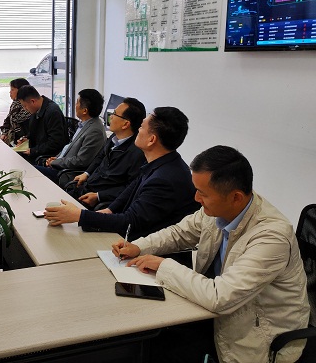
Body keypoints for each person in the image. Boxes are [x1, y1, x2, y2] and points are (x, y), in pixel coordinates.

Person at [113, 146, 309, 363]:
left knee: (162, 345)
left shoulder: (272, 237)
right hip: (219, 311)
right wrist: (138, 246)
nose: (196, 198)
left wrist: (163, 265)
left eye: (203, 193)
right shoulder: (223, 208)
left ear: (235, 197)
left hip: (258, 338)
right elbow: (180, 232)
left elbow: (220, 297)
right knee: (154, 336)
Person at [44, 107, 199, 239]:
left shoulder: (165, 179)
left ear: (151, 140)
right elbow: (132, 187)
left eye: (141, 127)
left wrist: (79, 215)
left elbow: (130, 223)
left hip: (146, 249)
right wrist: (108, 210)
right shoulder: (161, 162)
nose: (138, 130)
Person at [64, 97, 146, 209]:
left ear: (125, 124)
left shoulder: (137, 153)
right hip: (86, 187)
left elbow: (130, 188)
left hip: (97, 202)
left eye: (115, 114)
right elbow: (100, 156)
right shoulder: (114, 137)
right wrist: (86, 173)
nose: (110, 116)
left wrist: (99, 196)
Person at [34, 89, 106, 184]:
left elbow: (80, 161)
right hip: (61, 166)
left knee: (31, 172)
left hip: (67, 174)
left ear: (85, 110)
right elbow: (70, 147)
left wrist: (55, 162)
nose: (75, 106)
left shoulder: (95, 131)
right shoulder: (85, 124)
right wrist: (57, 158)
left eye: (77, 103)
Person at [16, 85, 68, 162]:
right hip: (38, 151)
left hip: (49, 157)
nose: (25, 109)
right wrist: (26, 139)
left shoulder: (53, 112)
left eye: (25, 106)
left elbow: (55, 143)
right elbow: (34, 133)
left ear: (33, 101)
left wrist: (33, 151)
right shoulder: (36, 110)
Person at [0, 77, 32, 145]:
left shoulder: (29, 107)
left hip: (27, 142)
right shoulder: (15, 105)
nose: (10, 92)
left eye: (12, 89)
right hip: (16, 141)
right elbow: (8, 119)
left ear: (21, 90)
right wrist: (4, 133)